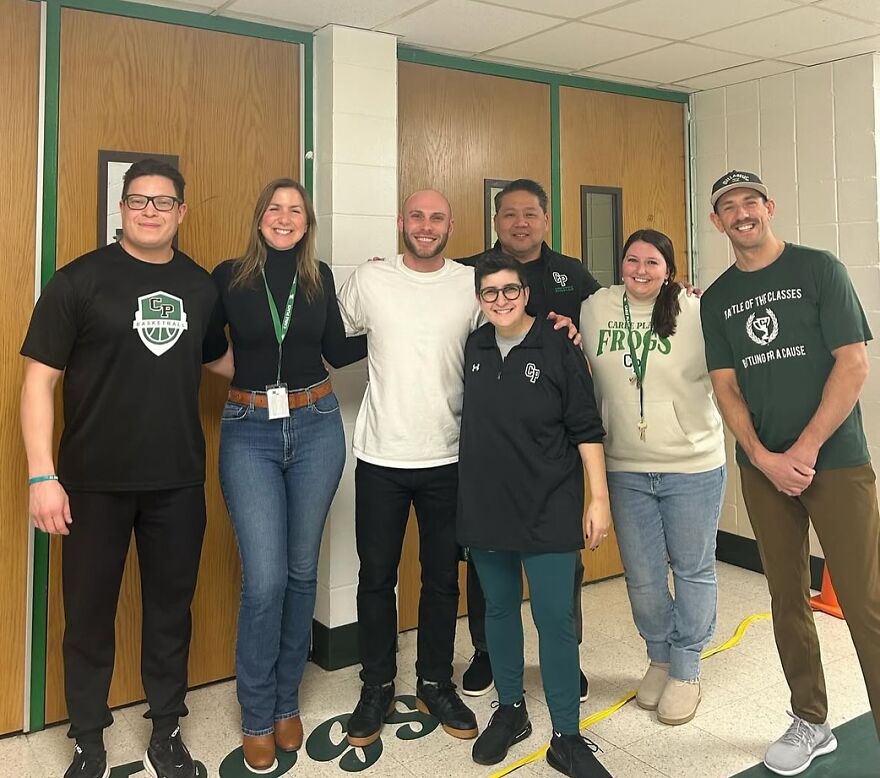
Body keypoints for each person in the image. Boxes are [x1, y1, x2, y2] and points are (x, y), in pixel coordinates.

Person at [20, 159, 229, 778]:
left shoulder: (199, 286)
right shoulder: (77, 281)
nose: (149, 211)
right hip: (90, 485)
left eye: (163, 203)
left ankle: (166, 733)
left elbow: (223, 360)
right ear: (121, 207)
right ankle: (88, 741)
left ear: (181, 212)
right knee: (87, 620)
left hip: (177, 483)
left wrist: (299, 357)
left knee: (171, 613)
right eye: (138, 200)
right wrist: (41, 475)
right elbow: (38, 383)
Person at [700, 170, 880, 776]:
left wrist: (802, 450)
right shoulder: (720, 298)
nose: (741, 213)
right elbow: (725, 385)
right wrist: (761, 455)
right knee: (786, 597)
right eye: (729, 207)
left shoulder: (817, 267)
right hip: (765, 469)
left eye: (750, 201)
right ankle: (811, 718)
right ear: (718, 223)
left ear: (769, 208)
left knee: (865, 599)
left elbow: (853, 363)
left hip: (837, 461)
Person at [209, 179, 366, 773]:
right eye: (274, 208)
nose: (283, 217)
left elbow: (335, 348)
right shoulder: (230, 276)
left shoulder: (318, 277)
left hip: (317, 425)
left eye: (294, 210)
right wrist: (249, 384)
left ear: (308, 222)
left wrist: (386, 316)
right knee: (266, 579)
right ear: (259, 219)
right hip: (250, 430)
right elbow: (203, 346)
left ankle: (284, 702)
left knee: (302, 573)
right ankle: (255, 713)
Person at [458, 252, 612, 778]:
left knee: (555, 620)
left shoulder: (555, 346)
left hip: (550, 503)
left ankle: (566, 737)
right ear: (480, 299)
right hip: (486, 503)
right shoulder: (475, 345)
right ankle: (511, 710)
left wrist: (598, 499)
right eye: (490, 292)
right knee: (498, 612)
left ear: (526, 294)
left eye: (510, 290)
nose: (501, 300)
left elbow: (586, 427)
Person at [336, 189, 481, 747]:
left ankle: (435, 681)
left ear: (450, 224)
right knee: (376, 579)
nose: (426, 226)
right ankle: (375, 685)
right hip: (381, 456)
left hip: (449, 456)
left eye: (436, 217)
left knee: (443, 579)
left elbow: (511, 331)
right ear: (400, 222)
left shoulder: (469, 283)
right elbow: (326, 334)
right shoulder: (372, 280)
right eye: (416, 217)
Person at [458, 178, 600, 700]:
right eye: (510, 214)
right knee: (488, 566)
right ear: (496, 223)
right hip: (490, 457)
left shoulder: (572, 274)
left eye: (531, 214)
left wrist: (679, 295)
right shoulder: (466, 271)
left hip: (550, 456)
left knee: (560, 572)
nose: (521, 223)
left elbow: (613, 312)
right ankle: (487, 654)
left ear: (546, 220)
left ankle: (567, 656)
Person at [580, 229, 726, 726]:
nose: (641, 270)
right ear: (620, 264)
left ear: (670, 269)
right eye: (632, 260)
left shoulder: (694, 309)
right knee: (642, 577)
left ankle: (686, 669)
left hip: (691, 463)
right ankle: (659, 658)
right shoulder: (595, 306)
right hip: (624, 466)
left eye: (653, 263)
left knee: (692, 569)